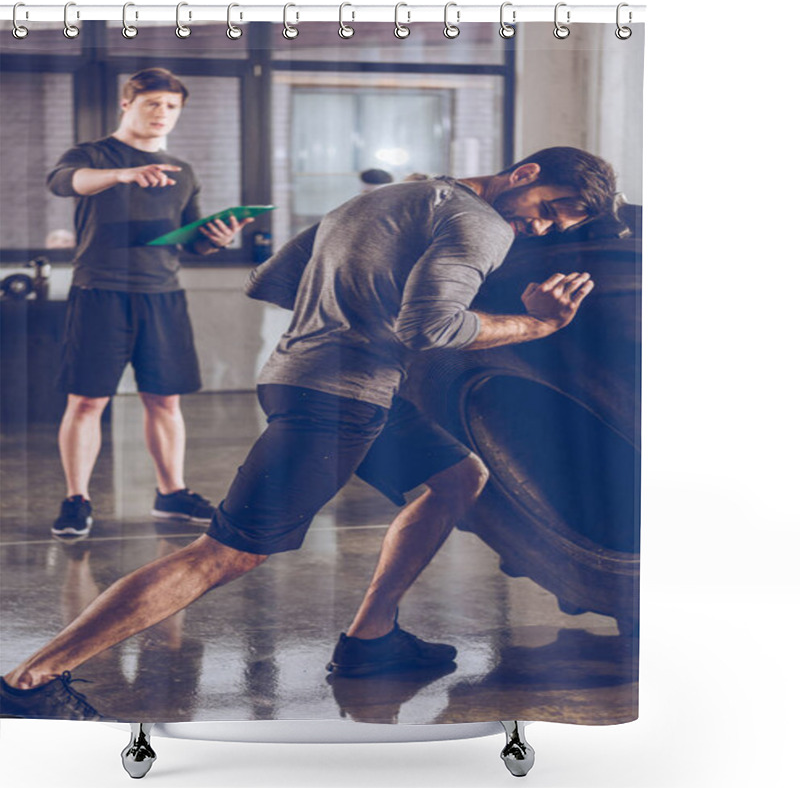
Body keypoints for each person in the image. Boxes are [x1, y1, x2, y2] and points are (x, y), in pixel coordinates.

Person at [0, 146, 616, 720]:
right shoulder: (482, 225)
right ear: (527, 174)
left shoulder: (384, 200)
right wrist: (537, 326)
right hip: (337, 399)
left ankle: (370, 640)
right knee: (227, 553)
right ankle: (31, 680)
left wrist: (360, 305)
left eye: (561, 225)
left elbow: (269, 278)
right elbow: (432, 327)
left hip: (310, 377)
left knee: (459, 477)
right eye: (550, 209)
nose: (544, 228)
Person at [47, 68, 252, 539]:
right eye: (152, 103)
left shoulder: (183, 171)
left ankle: (171, 493)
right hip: (100, 294)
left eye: (171, 106)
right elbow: (62, 182)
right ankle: (76, 499)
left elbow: (192, 241)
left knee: (164, 399)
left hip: (162, 296)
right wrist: (123, 173)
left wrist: (215, 239)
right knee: (87, 401)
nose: (162, 113)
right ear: (127, 105)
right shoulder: (93, 155)